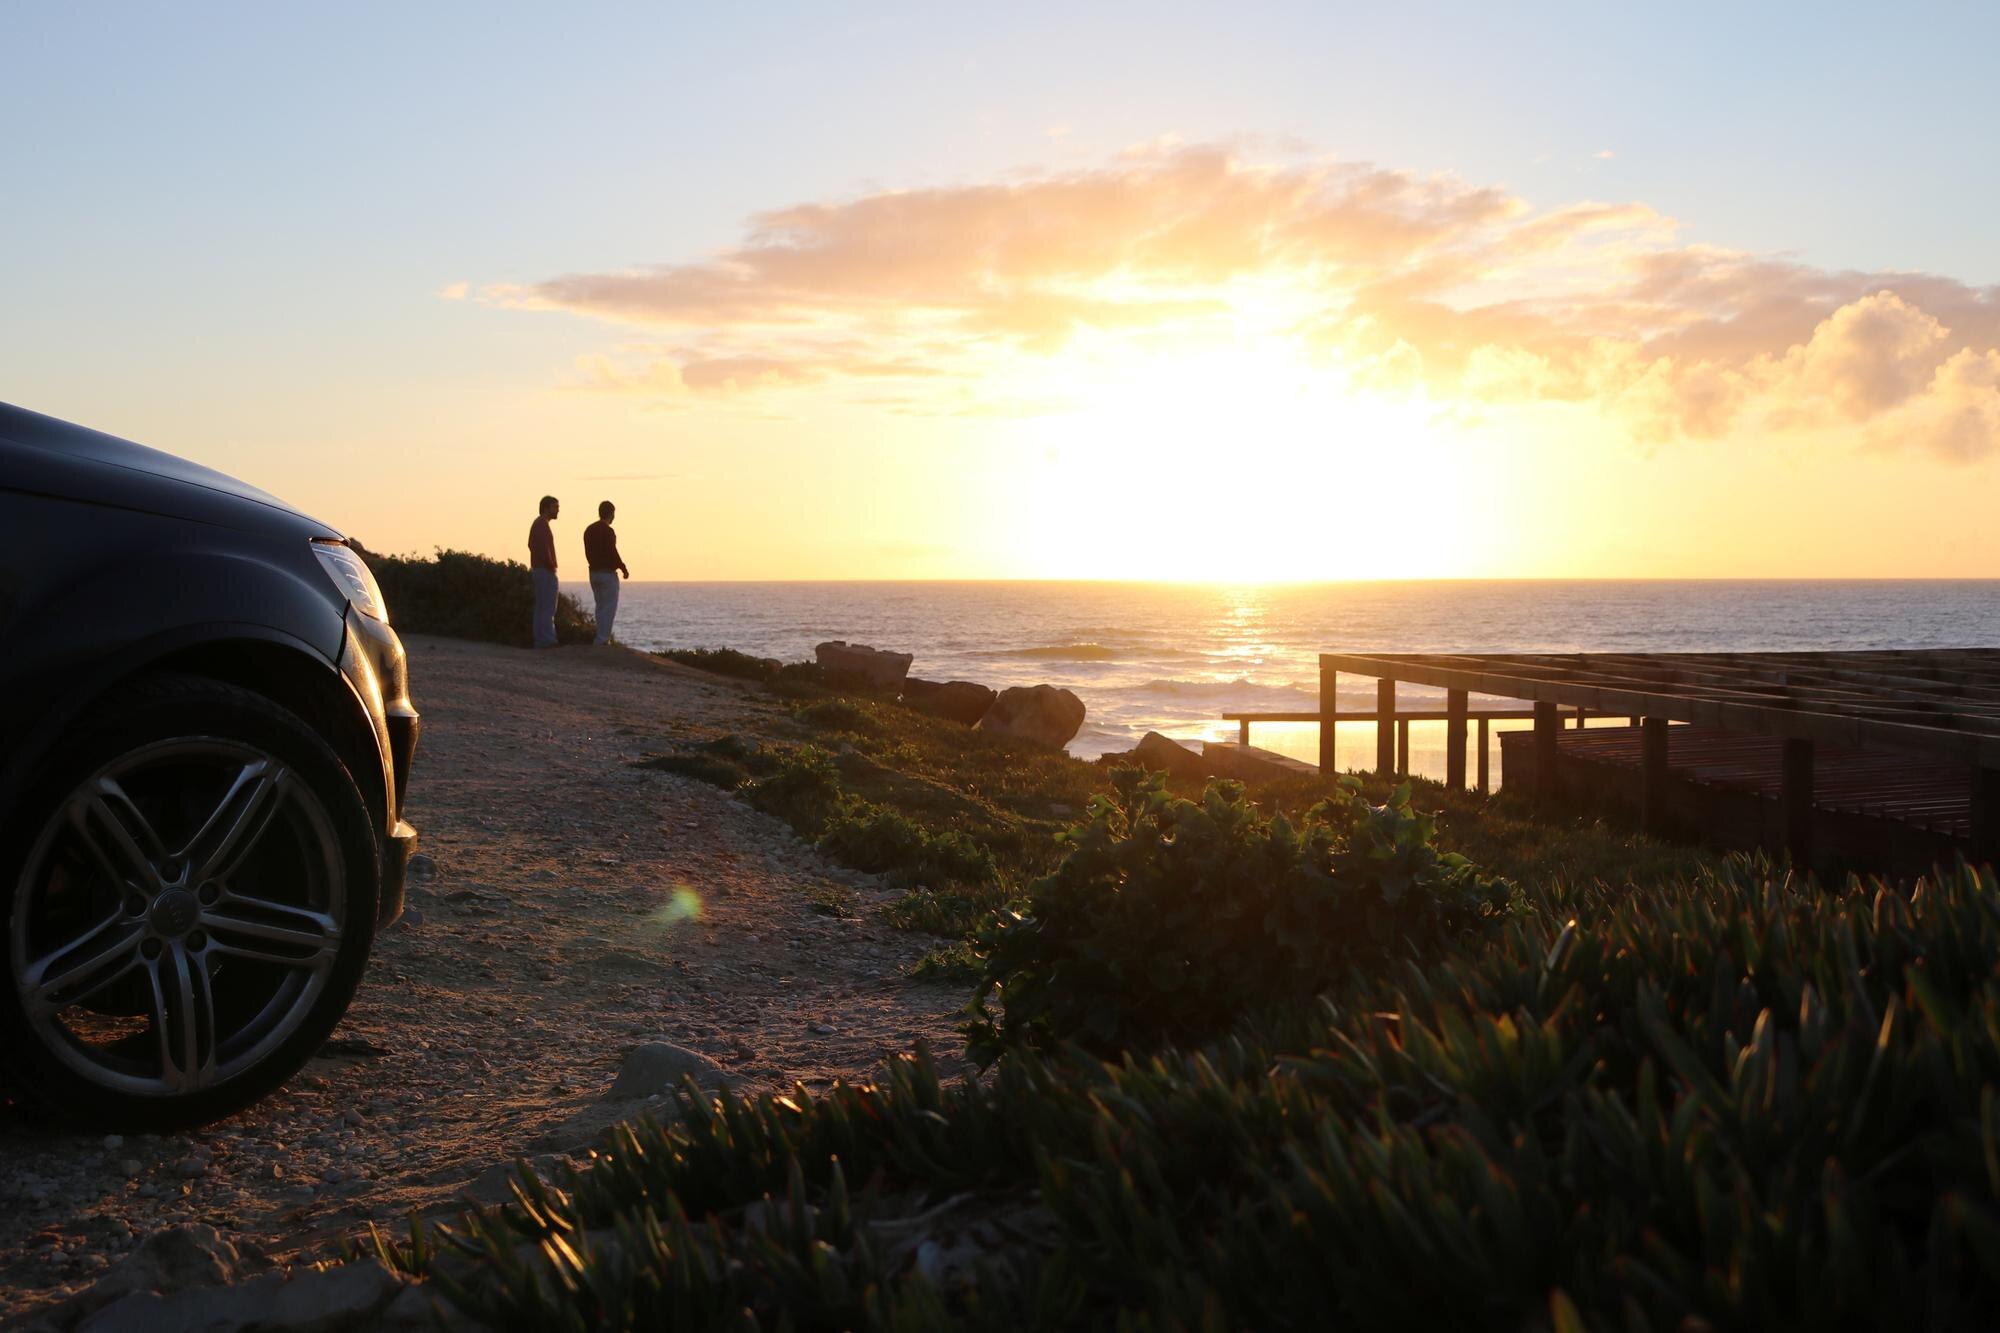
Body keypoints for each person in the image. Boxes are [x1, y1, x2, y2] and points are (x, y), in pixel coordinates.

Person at [582, 500, 630, 645]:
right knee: (609, 607)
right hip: (607, 574)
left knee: (600, 606)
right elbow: (612, 552)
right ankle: (602, 639)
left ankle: (600, 636)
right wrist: (622, 567)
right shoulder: (608, 531)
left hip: (594, 573)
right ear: (611, 514)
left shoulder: (589, 530)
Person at [528, 495, 560, 648]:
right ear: (546, 508)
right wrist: (550, 563)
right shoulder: (541, 524)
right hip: (544, 570)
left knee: (542, 606)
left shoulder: (539, 524)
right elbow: (543, 548)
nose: (557, 510)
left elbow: (531, 545)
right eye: (555, 507)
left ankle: (541, 639)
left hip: (540, 569)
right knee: (547, 606)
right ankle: (547, 639)